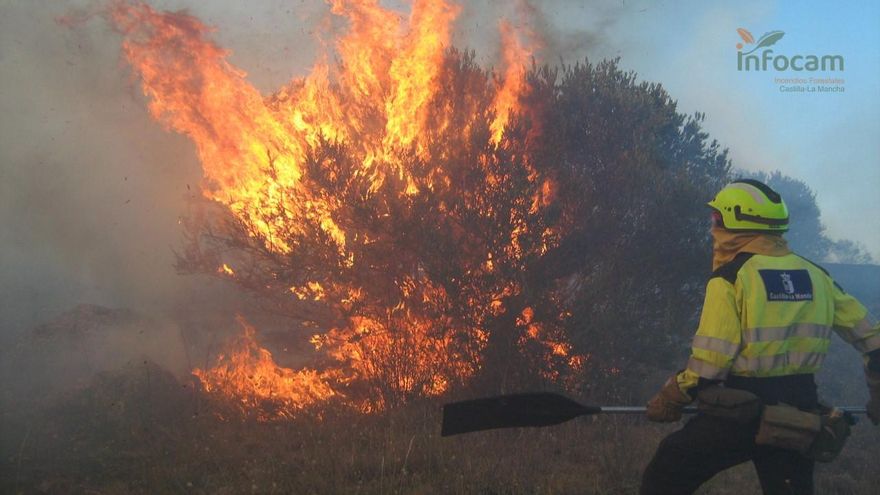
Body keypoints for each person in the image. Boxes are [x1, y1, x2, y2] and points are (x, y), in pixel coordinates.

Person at [640, 179, 880, 495]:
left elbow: (711, 363)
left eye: (716, 219)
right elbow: (873, 340)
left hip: (741, 412)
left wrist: (673, 396)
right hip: (800, 413)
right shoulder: (817, 276)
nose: (712, 227)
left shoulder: (730, 278)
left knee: (667, 471)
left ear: (735, 223)